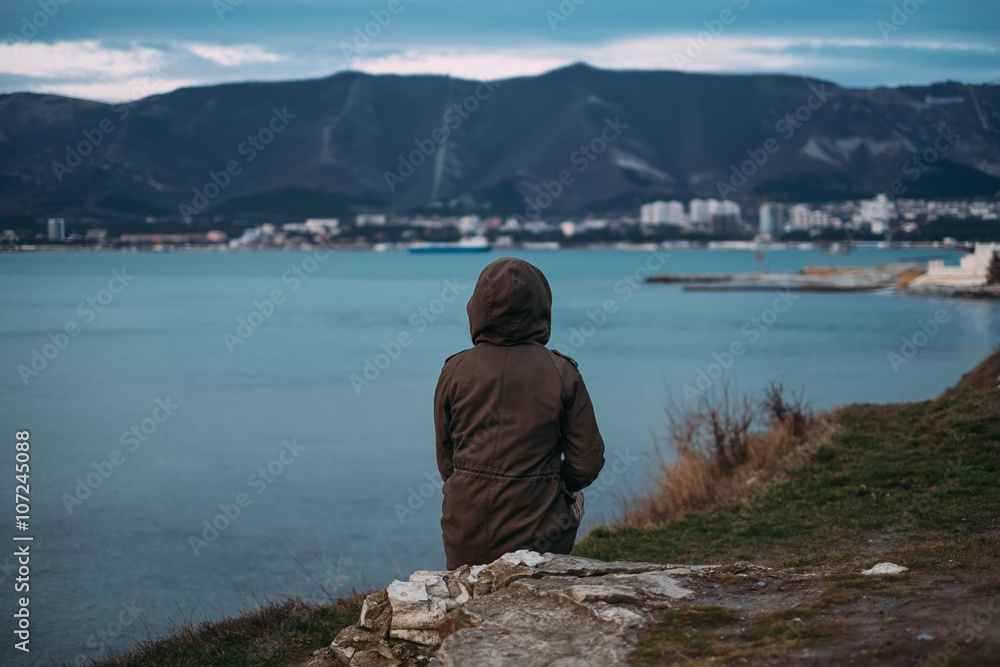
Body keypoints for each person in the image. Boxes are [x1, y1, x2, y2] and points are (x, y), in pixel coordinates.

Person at [434, 257, 606, 570]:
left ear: (476, 307)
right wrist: (555, 484)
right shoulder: (562, 372)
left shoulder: (454, 370)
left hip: (465, 536)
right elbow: (587, 463)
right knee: (574, 499)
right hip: (540, 540)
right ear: (542, 306)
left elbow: (447, 462)